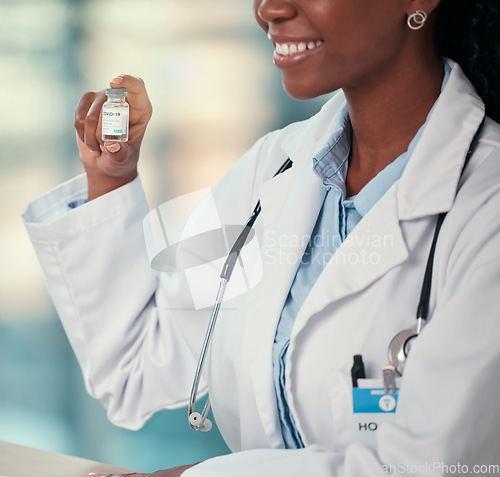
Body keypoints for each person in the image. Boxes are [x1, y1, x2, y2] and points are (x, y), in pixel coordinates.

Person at [22, 0, 500, 475]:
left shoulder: (487, 205)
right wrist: (111, 179)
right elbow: (137, 366)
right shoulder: (270, 170)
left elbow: (433, 467)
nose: (269, 8)